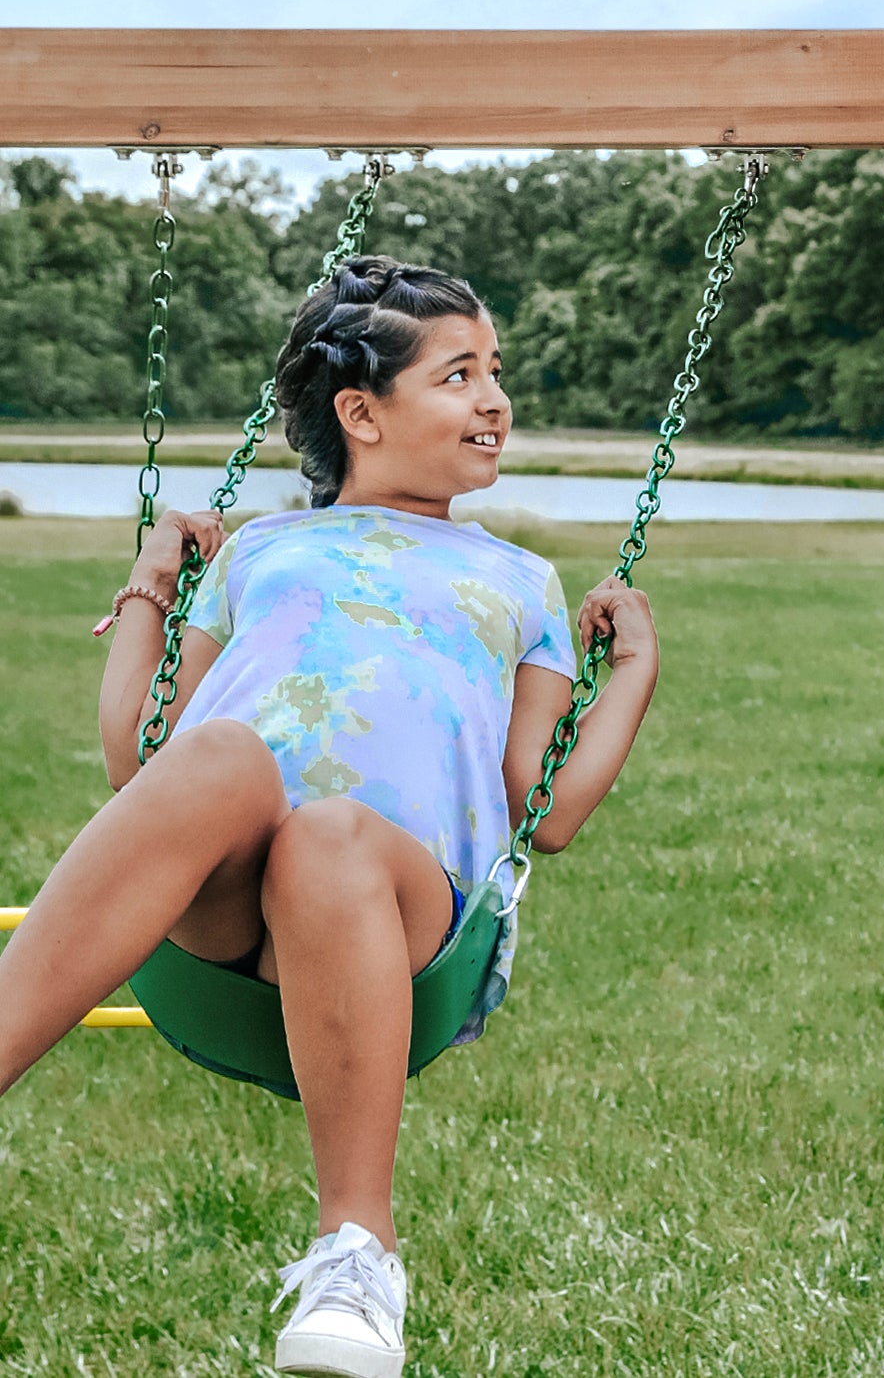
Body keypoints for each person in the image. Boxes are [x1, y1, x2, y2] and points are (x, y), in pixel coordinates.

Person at [0, 256, 658, 1378]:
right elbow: (139, 761)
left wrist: (631, 664)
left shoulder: (523, 583)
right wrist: (158, 580)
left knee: (331, 833)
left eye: (494, 371)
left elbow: (538, 810)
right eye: (459, 374)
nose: (494, 399)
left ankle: (358, 1254)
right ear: (361, 410)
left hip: (397, 920)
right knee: (218, 755)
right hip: (213, 910)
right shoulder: (261, 547)